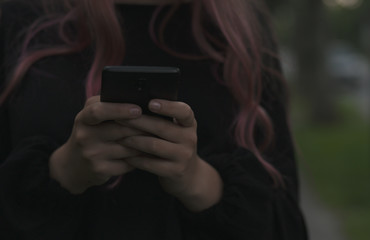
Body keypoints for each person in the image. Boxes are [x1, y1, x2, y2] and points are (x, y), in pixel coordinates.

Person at [0, 0, 307, 239]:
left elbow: (286, 224)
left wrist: (196, 180)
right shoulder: (22, 20)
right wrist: (66, 170)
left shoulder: (241, 32)